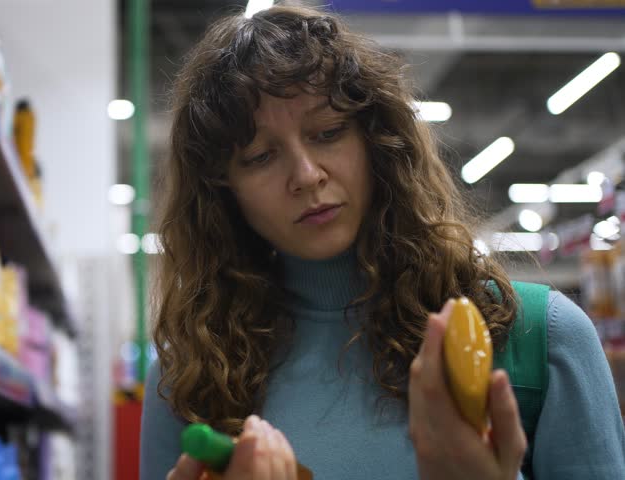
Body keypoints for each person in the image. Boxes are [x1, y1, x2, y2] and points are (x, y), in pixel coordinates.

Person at [140, 5, 625, 480]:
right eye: (261, 156)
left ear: (377, 139)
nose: (307, 176)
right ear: (222, 191)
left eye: (328, 132)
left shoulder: (539, 339)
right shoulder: (192, 373)